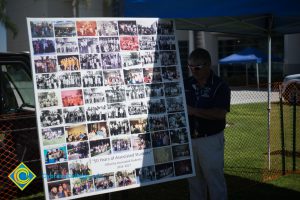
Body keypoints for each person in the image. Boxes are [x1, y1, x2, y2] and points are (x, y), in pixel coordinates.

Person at [184, 48, 230, 200]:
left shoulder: (220, 86)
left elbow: (219, 113)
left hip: (210, 140)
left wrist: (193, 111)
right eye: (190, 67)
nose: (193, 71)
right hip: (190, 140)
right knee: (194, 181)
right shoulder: (186, 84)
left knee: (214, 180)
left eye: (197, 67)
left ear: (209, 65)